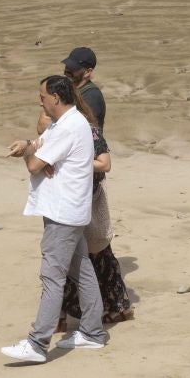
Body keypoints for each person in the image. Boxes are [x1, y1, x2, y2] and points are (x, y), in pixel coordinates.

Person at [2, 76, 109, 363]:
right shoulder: (68, 123)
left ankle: (38, 343)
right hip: (70, 212)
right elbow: (39, 144)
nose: (40, 100)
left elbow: (35, 164)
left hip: (63, 214)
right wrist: (29, 145)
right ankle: (92, 332)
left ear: (56, 98)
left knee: (52, 276)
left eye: (43, 96)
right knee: (82, 269)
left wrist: (29, 153)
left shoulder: (70, 126)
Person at [59, 116, 134, 328]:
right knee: (90, 256)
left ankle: (62, 317)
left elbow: (104, 163)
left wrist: (70, 162)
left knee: (79, 257)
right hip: (70, 201)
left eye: (44, 101)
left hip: (88, 201)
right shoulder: (57, 128)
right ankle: (117, 308)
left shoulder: (88, 125)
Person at [37, 47, 105, 134]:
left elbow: (75, 130)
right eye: (68, 65)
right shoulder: (65, 90)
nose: (67, 70)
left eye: (74, 68)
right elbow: (42, 125)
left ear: (87, 72)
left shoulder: (92, 97)